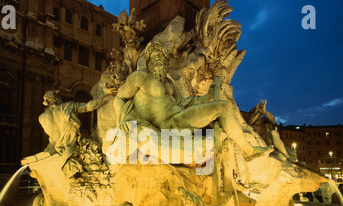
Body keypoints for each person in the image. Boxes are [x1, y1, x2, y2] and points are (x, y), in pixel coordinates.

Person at [113, 42, 273, 162]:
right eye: (155, 57)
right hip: (166, 126)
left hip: (180, 117)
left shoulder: (168, 83)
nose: (159, 60)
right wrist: (124, 119)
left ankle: (248, 151)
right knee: (222, 107)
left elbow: (185, 102)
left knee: (224, 106)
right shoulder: (141, 76)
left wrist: (208, 96)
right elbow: (119, 98)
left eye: (161, 57)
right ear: (148, 61)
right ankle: (246, 151)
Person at [23, 87, 115, 178]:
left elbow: (50, 134)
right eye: (59, 97)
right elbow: (89, 106)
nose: (61, 99)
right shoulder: (68, 107)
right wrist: (104, 93)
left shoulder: (42, 117)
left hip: (53, 149)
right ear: (56, 99)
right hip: (70, 148)